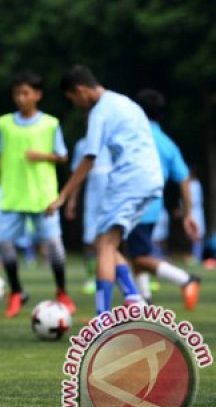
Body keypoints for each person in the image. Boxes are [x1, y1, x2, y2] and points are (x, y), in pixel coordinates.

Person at [47, 65, 163, 316]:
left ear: (80, 90)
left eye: (73, 99)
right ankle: (135, 300)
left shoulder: (100, 112)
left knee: (105, 246)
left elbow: (89, 158)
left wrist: (63, 196)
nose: (76, 104)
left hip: (129, 179)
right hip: (150, 178)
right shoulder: (126, 102)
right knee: (107, 242)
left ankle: (101, 319)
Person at [0, 71, 74, 318]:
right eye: (17, 93)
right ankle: (16, 292)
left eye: (25, 93)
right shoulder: (4, 123)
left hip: (43, 196)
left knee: (54, 246)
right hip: (13, 196)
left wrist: (42, 156)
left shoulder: (50, 123)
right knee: (5, 244)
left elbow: (63, 156)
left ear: (37, 95)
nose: (20, 98)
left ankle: (62, 292)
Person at [126, 89, 200, 309]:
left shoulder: (133, 137)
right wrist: (188, 213)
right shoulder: (167, 143)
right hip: (154, 208)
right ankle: (145, 301)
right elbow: (184, 178)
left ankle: (185, 279)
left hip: (134, 203)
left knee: (137, 258)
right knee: (138, 254)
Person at [64, 134, 112, 295]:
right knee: (90, 239)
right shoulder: (82, 144)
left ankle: (113, 276)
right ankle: (92, 277)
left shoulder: (114, 141)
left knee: (113, 239)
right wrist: (72, 200)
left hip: (113, 195)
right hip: (92, 198)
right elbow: (78, 175)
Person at [187, 165, 206, 264]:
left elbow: (192, 200)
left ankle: (197, 256)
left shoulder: (194, 185)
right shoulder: (194, 184)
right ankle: (196, 255)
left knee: (197, 234)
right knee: (194, 234)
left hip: (195, 212)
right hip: (195, 211)